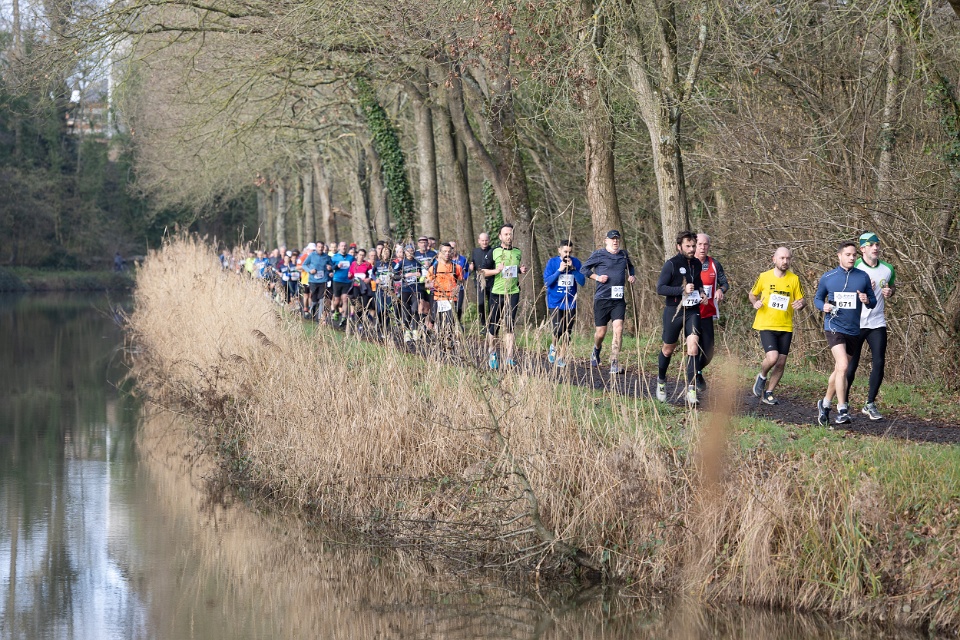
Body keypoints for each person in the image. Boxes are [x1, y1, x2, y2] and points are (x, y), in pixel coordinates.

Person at [814, 241, 877, 426]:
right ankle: (842, 409)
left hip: (853, 330)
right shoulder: (828, 277)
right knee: (843, 366)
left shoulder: (863, 277)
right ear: (839, 256)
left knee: (839, 370)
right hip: (833, 326)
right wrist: (823, 306)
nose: (851, 258)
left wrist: (866, 300)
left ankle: (825, 403)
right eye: (848, 255)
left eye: (854, 255)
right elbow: (818, 298)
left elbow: (873, 301)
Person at [846, 232, 896, 420]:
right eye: (871, 245)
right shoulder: (855, 267)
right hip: (856, 323)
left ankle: (870, 403)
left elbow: (892, 286)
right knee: (851, 366)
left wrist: (890, 291)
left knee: (879, 362)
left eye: (877, 244)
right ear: (862, 249)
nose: (875, 248)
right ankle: (844, 402)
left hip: (877, 322)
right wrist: (861, 289)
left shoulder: (888, 268)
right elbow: (842, 291)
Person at [748, 247, 806, 405]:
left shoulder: (794, 279)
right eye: (782, 258)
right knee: (772, 357)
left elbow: (802, 300)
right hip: (767, 324)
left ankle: (769, 392)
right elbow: (752, 294)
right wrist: (755, 302)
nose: (785, 261)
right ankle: (762, 375)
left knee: (780, 363)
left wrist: (800, 304)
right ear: (774, 259)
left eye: (788, 258)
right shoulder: (764, 277)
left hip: (786, 326)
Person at [655, 231, 703, 406]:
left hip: (692, 311)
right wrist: (681, 290)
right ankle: (661, 381)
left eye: (693, 246)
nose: (691, 249)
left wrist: (702, 293)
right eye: (688, 246)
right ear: (679, 247)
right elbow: (660, 288)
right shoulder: (671, 264)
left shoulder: (697, 263)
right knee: (668, 349)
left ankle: (691, 390)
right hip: (674, 311)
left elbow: (698, 283)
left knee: (693, 347)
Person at [581, 230, 636, 374]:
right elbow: (584, 269)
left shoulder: (624, 255)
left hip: (618, 300)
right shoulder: (599, 254)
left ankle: (614, 361)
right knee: (601, 333)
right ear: (606, 241)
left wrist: (632, 276)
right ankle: (596, 349)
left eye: (617, 239)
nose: (615, 241)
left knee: (618, 328)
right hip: (602, 299)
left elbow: (630, 267)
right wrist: (597, 277)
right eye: (612, 239)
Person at [483, 224, 527, 369]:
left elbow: (512, 270)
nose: (509, 236)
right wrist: (496, 271)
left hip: (513, 293)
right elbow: (482, 271)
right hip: (496, 293)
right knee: (494, 326)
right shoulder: (494, 252)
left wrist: (520, 270)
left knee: (509, 326)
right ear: (500, 236)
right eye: (506, 234)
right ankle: (492, 353)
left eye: (511, 234)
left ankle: (509, 357)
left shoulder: (517, 252)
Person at [694, 234, 729, 390]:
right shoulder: (687, 264)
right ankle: (695, 376)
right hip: (691, 313)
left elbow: (725, 283)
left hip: (707, 313)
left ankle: (696, 370)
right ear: (694, 245)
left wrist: (721, 290)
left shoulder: (714, 264)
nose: (702, 247)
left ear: (709, 246)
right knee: (694, 347)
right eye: (699, 244)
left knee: (709, 352)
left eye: (705, 244)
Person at [544, 239, 584, 368]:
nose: (567, 254)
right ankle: (553, 346)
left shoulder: (576, 262)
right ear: (559, 250)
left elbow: (582, 281)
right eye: (565, 251)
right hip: (555, 302)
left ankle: (561, 357)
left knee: (567, 332)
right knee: (558, 330)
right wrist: (559, 270)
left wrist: (573, 270)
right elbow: (547, 282)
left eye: (570, 252)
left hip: (570, 302)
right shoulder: (552, 263)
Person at [427, 243, 465, 340]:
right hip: (438, 298)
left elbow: (461, 281)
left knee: (450, 323)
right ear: (440, 253)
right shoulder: (433, 268)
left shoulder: (457, 267)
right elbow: (427, 284)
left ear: (452, 253)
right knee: (439, 324)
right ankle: (440, 344)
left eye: (449, 251)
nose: (447, 253)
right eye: (444, 251)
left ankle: (449, 344)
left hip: (451, 299)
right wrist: (429, 285)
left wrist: (457, 287)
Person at [393, 244, 423, 343]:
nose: (410, 253)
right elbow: (394, 275)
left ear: (414, 251)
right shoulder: (401, 263)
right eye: (408, 251)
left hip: (416, 289)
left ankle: (415, 331)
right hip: (405, 290)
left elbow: (424, 273)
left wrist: (420, 275)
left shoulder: (418, 262)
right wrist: (404, 276)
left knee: (415, 309)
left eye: (411, 251)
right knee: (406, 311)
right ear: (405, 252)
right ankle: (407, 332)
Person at [470, 233, 496, 334]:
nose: (484, 242)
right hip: (479, 281)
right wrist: (471, 266)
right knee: (481, 303)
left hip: (492, 280)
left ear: (489, 240)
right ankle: (483, 324)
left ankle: (491, 324)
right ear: (479, 241)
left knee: (491, 304)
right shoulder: (475, 251)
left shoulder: (493, 251)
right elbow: (472, 263)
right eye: (482, 240)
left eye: (486, 240)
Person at [301, 243, 332, 320]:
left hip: (323, 280)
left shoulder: (326, 257)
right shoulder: (311, 255)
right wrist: (310, 270)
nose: (320, 248)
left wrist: (330, 268)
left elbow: (332, 266)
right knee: (314, 300)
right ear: (316, 248)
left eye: (322, 247)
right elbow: (304, 265)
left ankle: (320, 318)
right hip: (313, 281)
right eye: (319, 247)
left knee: (322, 299)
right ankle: (312, 313)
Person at [414, 236, 437, 330]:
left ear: (428, 243)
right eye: (421, 242)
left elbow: (437, 265)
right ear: (418, 244)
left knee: (429, 305)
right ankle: (421, 324)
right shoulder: (415, 254)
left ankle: (429, 324)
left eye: (425, 242)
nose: (423, 244)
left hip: (430, 281)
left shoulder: (433, 254)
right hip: (419, 282)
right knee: (421, 303)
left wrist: (431, 265)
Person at [330, 241, 354, 325]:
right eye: (342, 246)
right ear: (339, 247)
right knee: (337, 301)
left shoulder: (351, 258)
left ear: (346, 247)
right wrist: (337, 266)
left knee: (345, 299)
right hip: (337, 280)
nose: (343, 247)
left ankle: (344, 318)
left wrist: (352, 273)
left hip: (347, 281)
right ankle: (336, 311)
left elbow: (354, 266)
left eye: (345, 246)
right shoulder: (334, 257)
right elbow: (330, 267)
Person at [448, 240, 470, 322]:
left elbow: (467, 270)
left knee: (459, 306)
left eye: (453, 248)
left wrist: (464, 277)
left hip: (460, 287)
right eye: (450, 248)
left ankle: (458, 322)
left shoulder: (463, 259)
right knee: (450, 307)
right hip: (449, 287)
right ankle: (451, 323)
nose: (452, 250)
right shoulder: (447, 260)